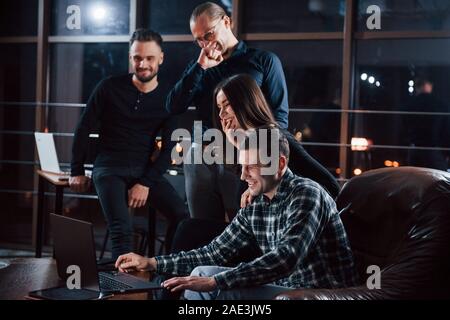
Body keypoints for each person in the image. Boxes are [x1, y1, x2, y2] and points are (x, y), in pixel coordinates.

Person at [115, 129, 358, 300]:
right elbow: (214, 251)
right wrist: (152, 262)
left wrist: (217, 282)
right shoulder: (256, 203)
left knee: (213, 285)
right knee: (201, 272)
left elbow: (286, 258)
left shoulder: (306, 194)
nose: (243, 176)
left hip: (320, 293)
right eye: (242, 167)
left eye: (251, 166)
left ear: (280, 164)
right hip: (284, 289)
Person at [166, 2, 337, 221]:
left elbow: (279, 119)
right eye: (198, 39)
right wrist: (199, 67)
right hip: (204, 152)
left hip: (244, 154)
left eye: (208, 34)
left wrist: (257, 159)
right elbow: (173, 106)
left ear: (226, 22)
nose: (205, 44)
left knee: (243, 224)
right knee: (202, 228)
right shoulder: (200, 67)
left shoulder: (263, 61)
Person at [69, 29, 188, 259]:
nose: (142, 64)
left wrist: (145, 183)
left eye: (149, 58)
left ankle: (166, 276)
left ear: (160, 58)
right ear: (130, 57)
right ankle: (121, 292)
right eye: (137, 58)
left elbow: (170, 147)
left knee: (181, 215)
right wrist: (76, 171)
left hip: (143, 171)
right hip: (108, 168)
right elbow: (83, 129)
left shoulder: (169, 97)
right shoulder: (108, 87)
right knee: (122, 231)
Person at [213, 74, 340, 204]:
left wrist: (265, 188)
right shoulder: (248, 142)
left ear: (245, 103)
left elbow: (331, 186)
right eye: (219, 107)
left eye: (226, 104)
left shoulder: (275, 138)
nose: (221, 114)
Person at [405, 77, 449, 171]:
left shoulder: (409, 104)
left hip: (415, 148)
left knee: (414, 177)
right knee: (439, 179)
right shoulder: (440, 104)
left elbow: (403, 128)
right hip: (433, 149)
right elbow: (446, 129)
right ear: (428, 85)